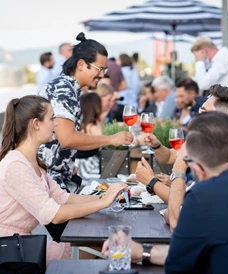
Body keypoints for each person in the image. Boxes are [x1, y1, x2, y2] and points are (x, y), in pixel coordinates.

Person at [103, 111, 228, 274]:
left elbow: (177, 265)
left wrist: (179, 167)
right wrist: (142, 251)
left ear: (198, 169)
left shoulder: (203, 197)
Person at [0, 95, 127, 266]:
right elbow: (53, 215)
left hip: (23, 246)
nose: (56, 123)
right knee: (103, 248)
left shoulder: (33, 162)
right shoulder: (16, 165)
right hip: (11, 253)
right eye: (52, 118)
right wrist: (103, 202)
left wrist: (109, 197)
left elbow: (63, 197)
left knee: (101, 245)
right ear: (36, 124)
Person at [38, 32, 133, 193]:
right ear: (81, 64)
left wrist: (67, 163)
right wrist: (111, 139)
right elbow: (67, 138)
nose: (102, 75)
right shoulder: (63, 90)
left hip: (55, 175)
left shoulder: (69, 88)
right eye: (100, 69)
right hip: (47, 180)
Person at [74, 92, 103, 183]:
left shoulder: (80, 126)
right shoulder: (92, 128)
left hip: (78, 166)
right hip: (88, 169)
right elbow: (108, 142)